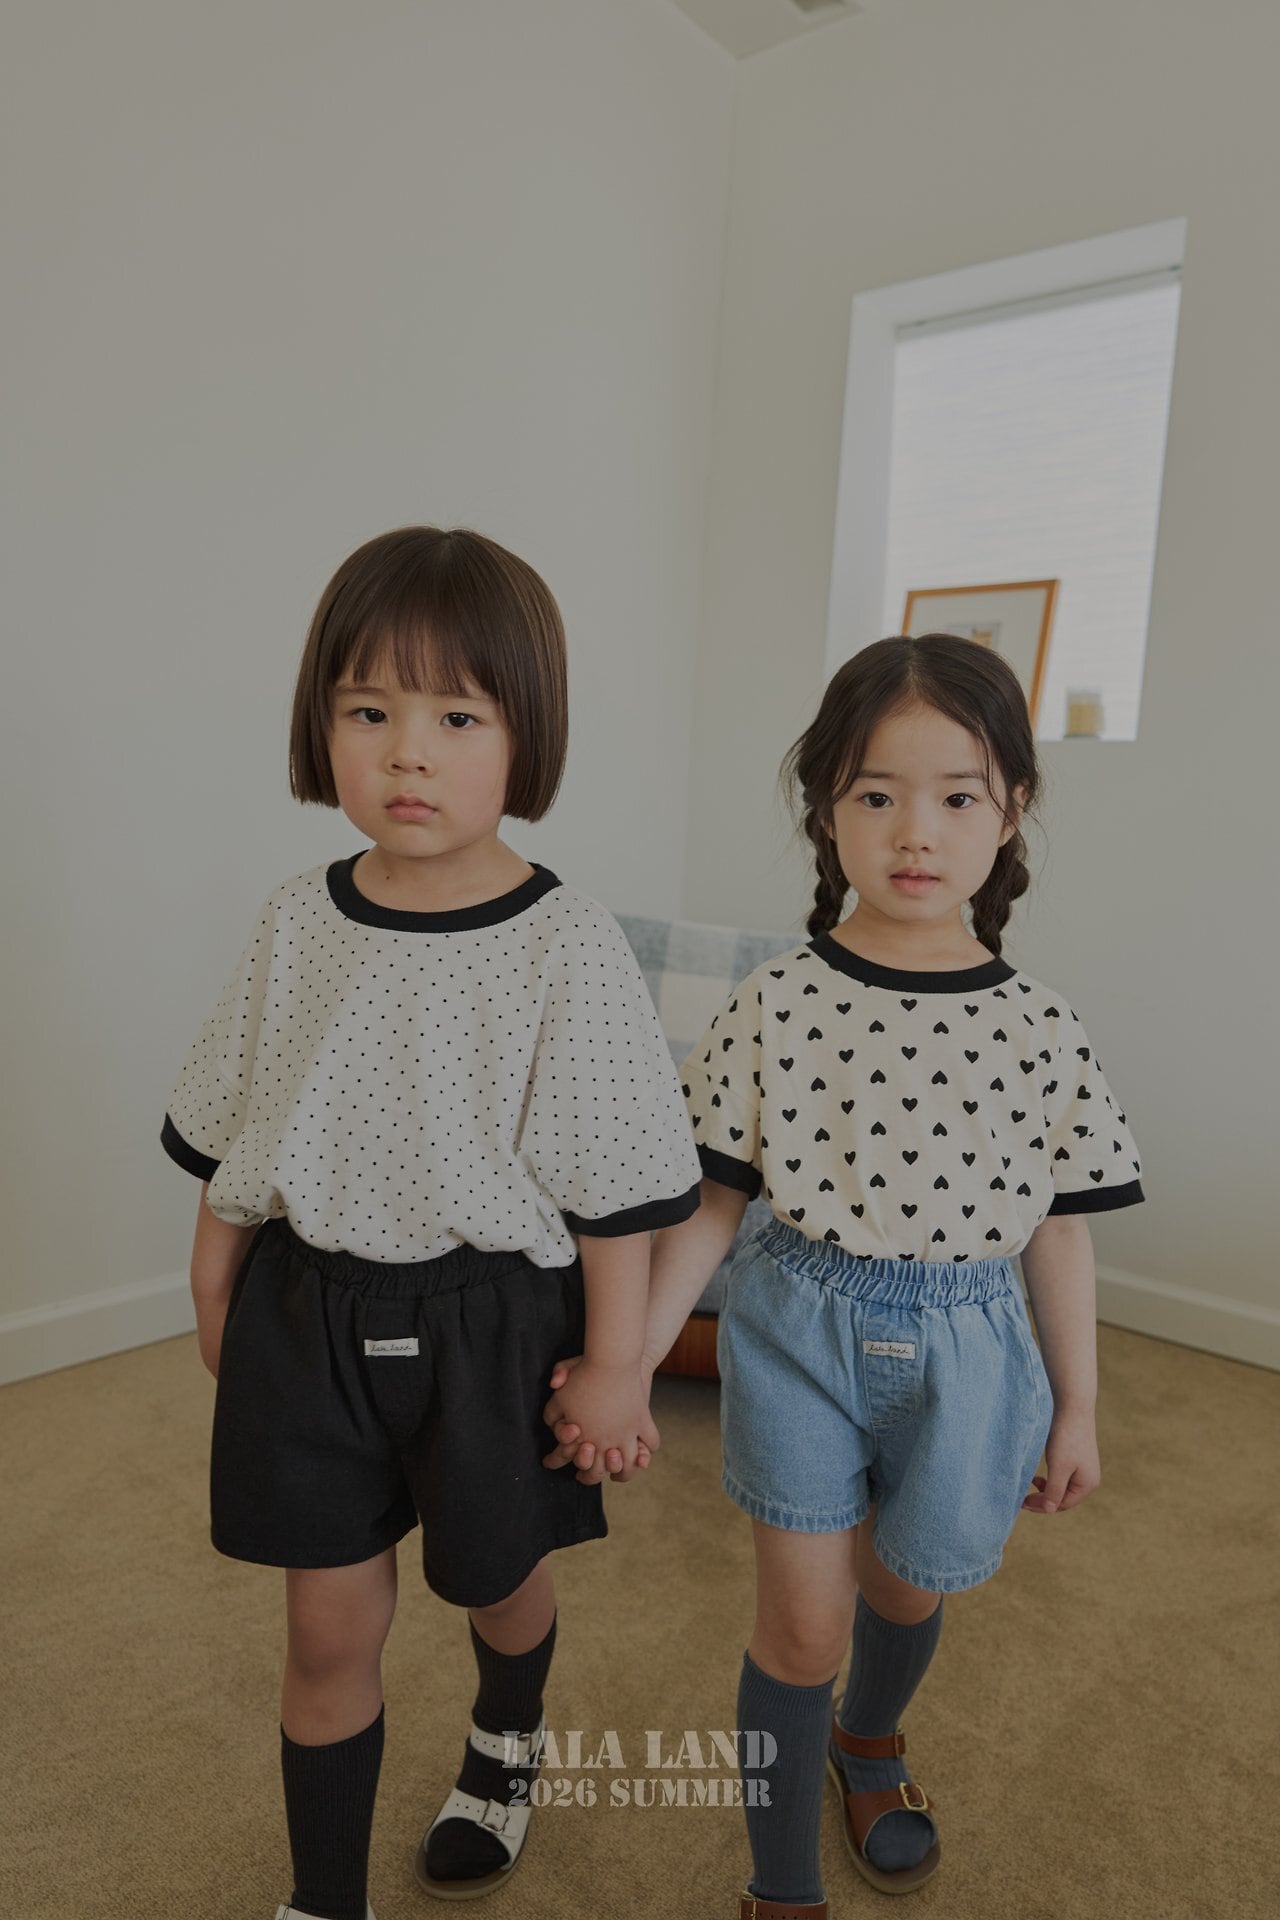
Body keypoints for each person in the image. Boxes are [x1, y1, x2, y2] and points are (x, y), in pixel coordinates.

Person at [546, 633, 1144, 1919]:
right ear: (826, 807)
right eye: (876, 794)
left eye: (956, 796)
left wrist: (1079, 1409)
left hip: (972, 1349)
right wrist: (625, 1362)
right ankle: (780, 1886)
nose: (914, 832)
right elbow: (710, 1206)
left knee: (906, 1587)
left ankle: (867, 1744)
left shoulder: (1042, 1026)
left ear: (1010, 809)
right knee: (803, 1627)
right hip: (798, 1332)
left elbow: (1058, 1231)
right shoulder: (774, 1002)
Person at [161, 526, 701, 1920]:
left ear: (527, 732)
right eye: (369, 712)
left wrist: (620, 1363)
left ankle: (503, 1747)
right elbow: (235, 1127)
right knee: (324, 1632)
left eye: (457, 717)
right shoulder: (297, 919)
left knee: (497, 1582)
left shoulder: (564, 939)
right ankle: (321, 1900)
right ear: (321, 725)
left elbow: (611, 1184)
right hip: (308, 1315)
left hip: (494, 1326)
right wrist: (215, 1291)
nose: (408, 753)